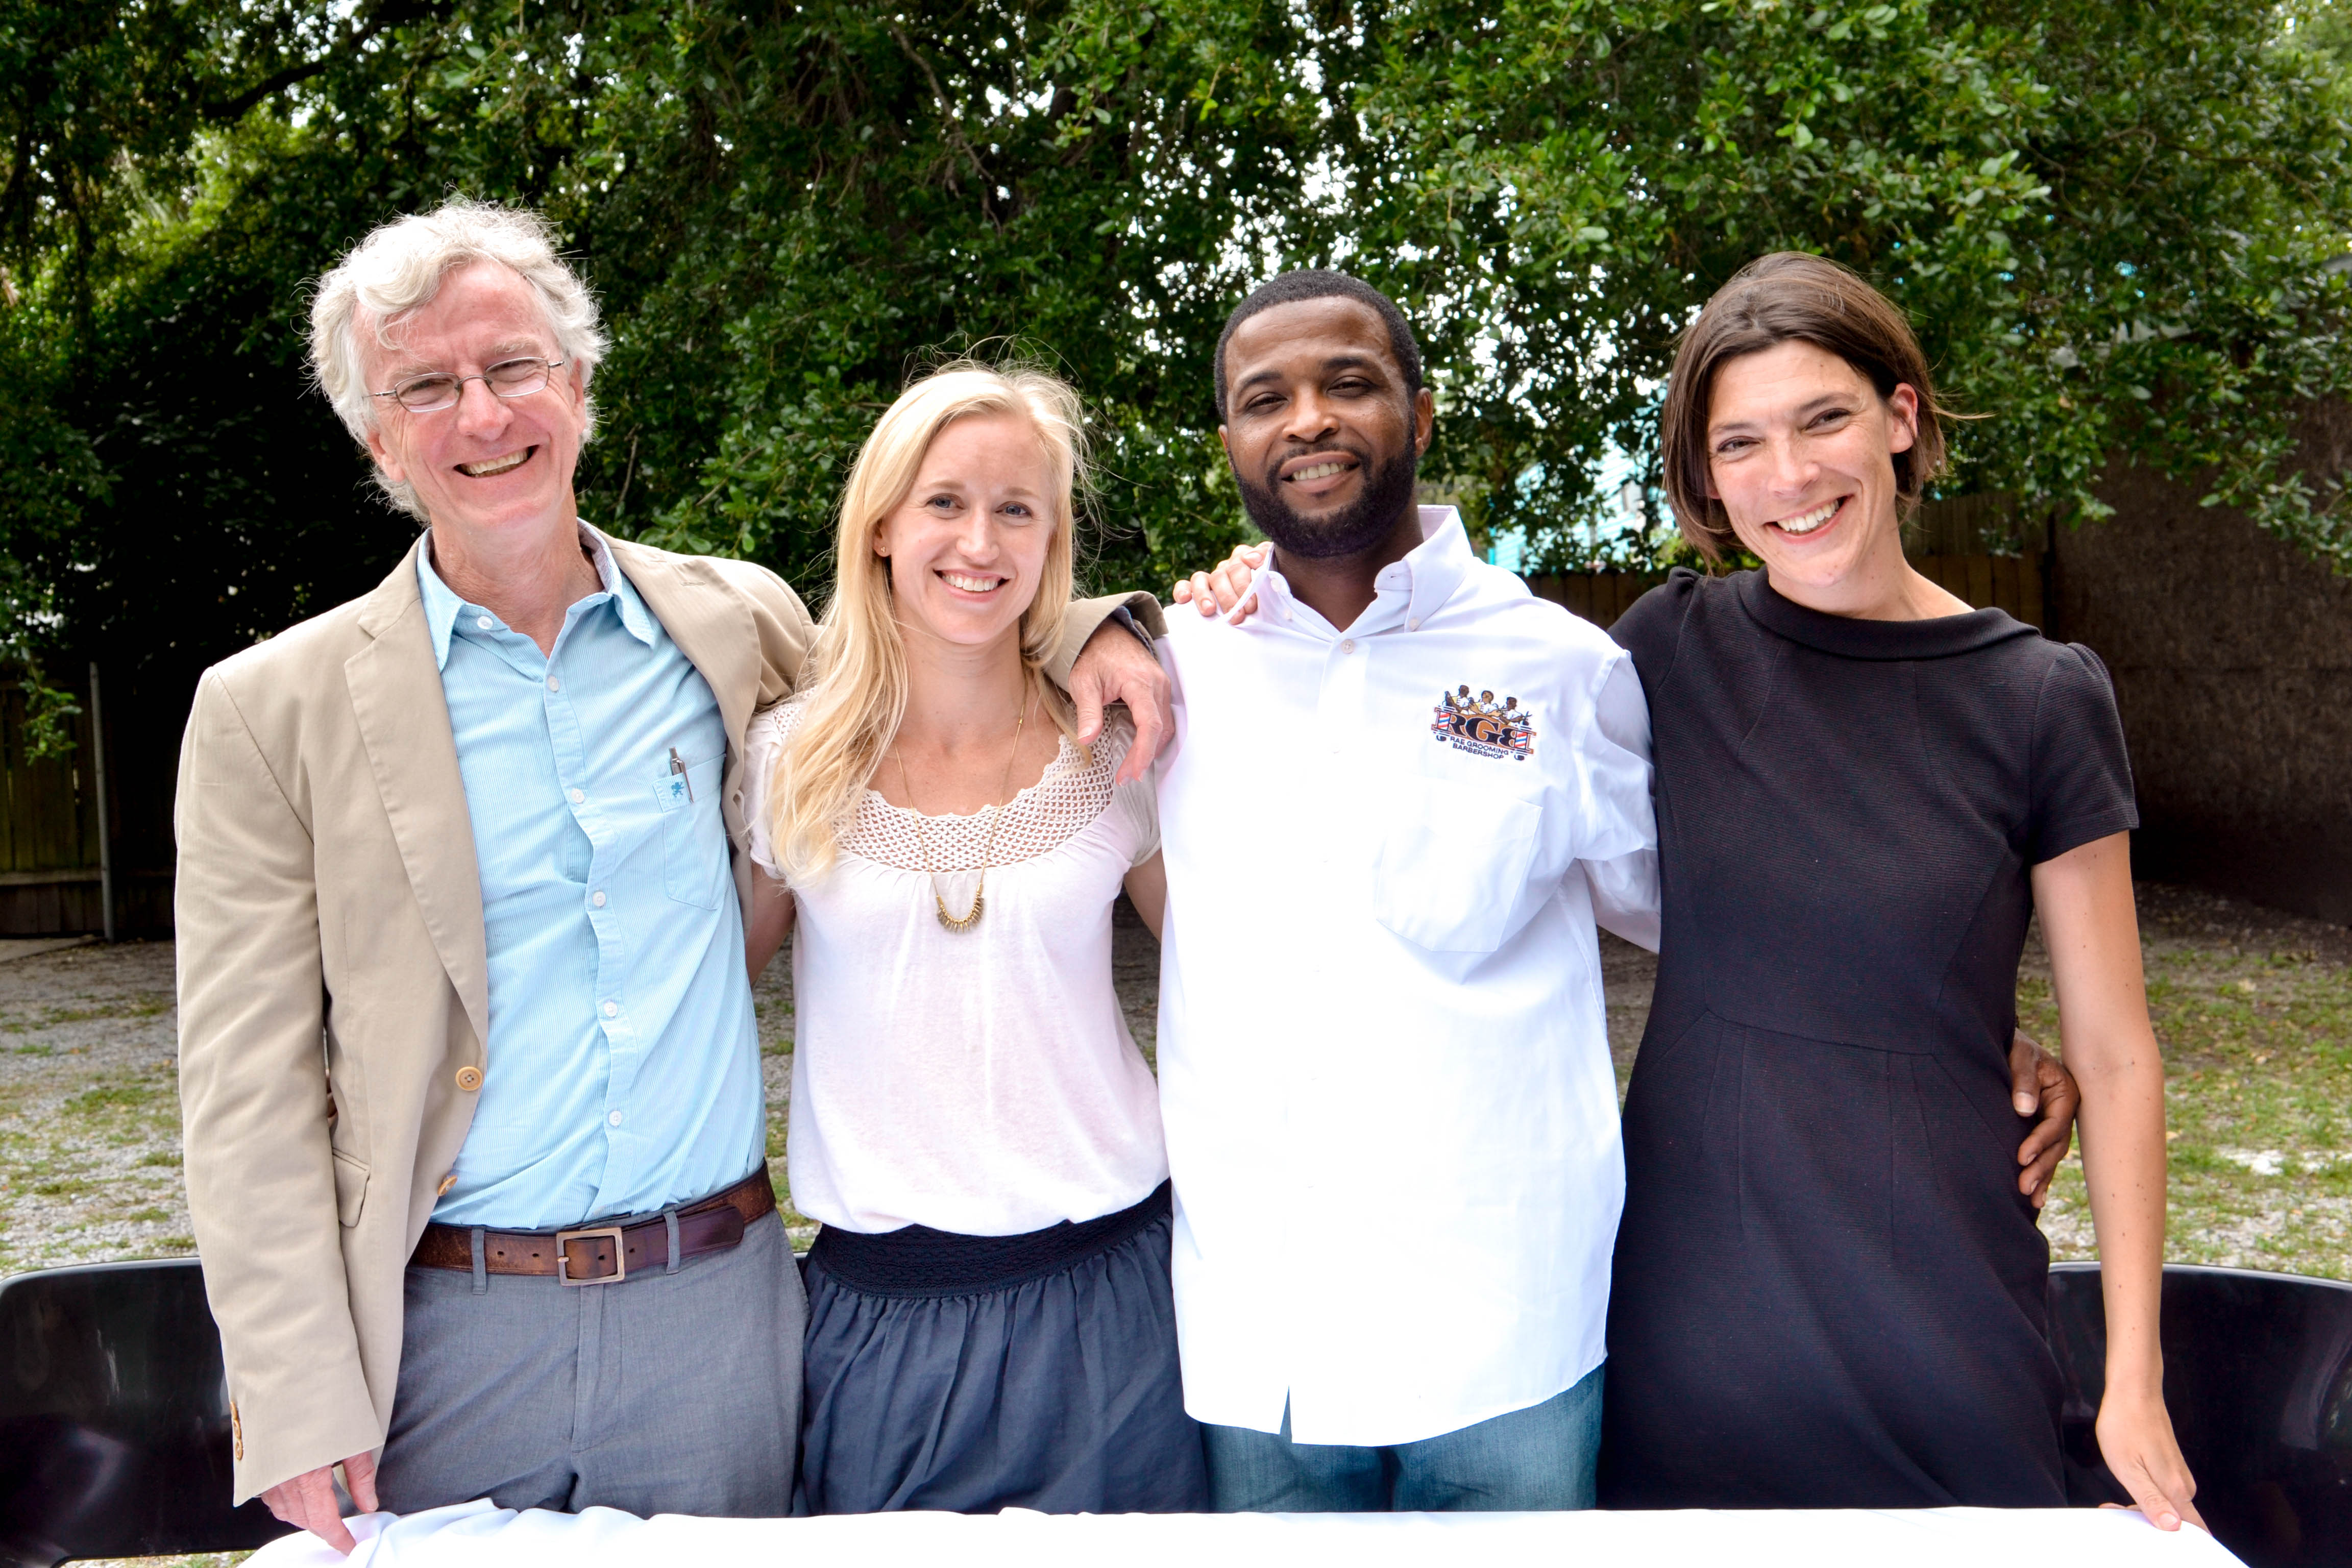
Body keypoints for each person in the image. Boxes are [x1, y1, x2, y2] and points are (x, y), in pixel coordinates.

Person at [173, 201, 1170, 1554]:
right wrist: (293, 1395)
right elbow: (247, 1092)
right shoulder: (264, 712)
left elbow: (942, 655)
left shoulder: (733, 624)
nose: (483, 414)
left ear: (578, 386)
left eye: (514, 367)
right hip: (451, 1326)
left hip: (721, 1314)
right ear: (377, 437)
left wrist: (1112, 625)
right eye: (427, 386)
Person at [1596, 251, 2199, 1524]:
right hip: (1694, 1312)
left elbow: (2120, 1052)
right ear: (1706, 478)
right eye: (1742, 443)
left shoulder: (2041, 698)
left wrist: (2132, 1379)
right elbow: (1433, 742)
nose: (1791, 477)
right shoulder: (1664, 653)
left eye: (1826, 420)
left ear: (1902, 418)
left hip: (1940, 1313)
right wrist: (1139, 620)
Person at [1149, 271, 1662, 1512]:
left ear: (1420, 418)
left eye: (1349, 383)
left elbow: (1706, 921)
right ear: (1230, 444)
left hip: (1505, 1333)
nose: (1308, 419)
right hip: (1263, 1334)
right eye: (1266, 398)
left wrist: (1971, 1029)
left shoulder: (1559, 667)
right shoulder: (1174, 669)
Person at [738, 362, 1200, 1515]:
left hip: (1118, 1298)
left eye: (1017, 509)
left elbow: (1234, 971)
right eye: (945, 501)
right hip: (883, 1314)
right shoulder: (784, 760)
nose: (979, 540)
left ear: (1052, 543)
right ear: (883, 522)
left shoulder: (1122, 746)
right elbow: (707, 995)